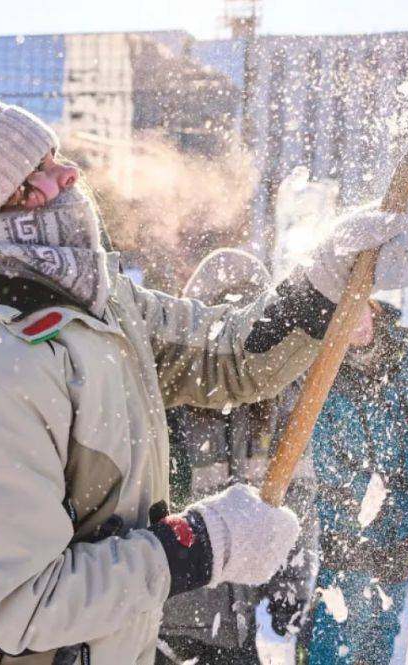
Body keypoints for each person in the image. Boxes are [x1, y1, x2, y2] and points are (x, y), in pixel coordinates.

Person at [0, 93, 408, 665]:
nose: (70, 173)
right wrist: (203, 547)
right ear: (1, 203)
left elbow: (227, 357)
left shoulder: (98, 303)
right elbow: (23, 605)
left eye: (56, 154)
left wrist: (323, 283)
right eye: (43, 170)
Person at [157, 249, 317, 665]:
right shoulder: (166, 402)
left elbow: (298, 500)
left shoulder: (283, 404)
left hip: (234, 623)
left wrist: (292, 586)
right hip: (168, 617)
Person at [307, 262, 408, 665]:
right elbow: (324, 452)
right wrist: (360, 499)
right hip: (345, 530)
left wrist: (398, 491)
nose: (356, 326)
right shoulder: (323, 374)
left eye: (358, 310)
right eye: (343, 319)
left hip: (399, 526)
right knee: (332, 631)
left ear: (372, 304)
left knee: (379, 631)